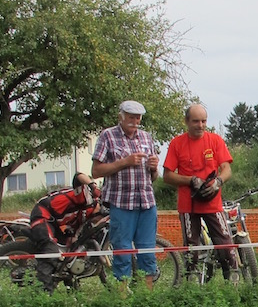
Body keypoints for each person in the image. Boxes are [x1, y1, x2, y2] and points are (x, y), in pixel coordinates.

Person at [162, 103, 240, 283]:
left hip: (213, 202)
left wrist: (218, 181)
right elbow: (167, 176)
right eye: (196, 121)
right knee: (191, 246)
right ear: (187, 121)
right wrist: (190, 180)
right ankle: (192, 282)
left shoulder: (215, 140)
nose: (201, 125)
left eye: (204, 121)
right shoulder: (177, 143)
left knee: (225, 242)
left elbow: (227, 169)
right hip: (188, 204)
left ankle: (233, 280)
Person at [91, 100, 160, 287]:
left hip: (146, 202)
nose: (135, 120)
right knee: (122, 252)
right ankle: (123, 300)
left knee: (147, 252)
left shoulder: (146, 137)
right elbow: (96, 171)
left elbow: (153, 177)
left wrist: (154, 168)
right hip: (121, 204)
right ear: (121, 117)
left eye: (138, 117)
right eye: (131, 116)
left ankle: (147, 299)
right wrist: (125, 162)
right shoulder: (108, 136)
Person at [26, 172, 102, 292]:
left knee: (68, 254)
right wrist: (93, 185)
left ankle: (71, 290)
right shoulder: (86, 196)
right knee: (50, 250)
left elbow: (75, 232)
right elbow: (78, 176)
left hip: (55, 223)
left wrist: (73, 237)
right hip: (43, 213)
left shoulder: (86, 217)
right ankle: (43, 293)